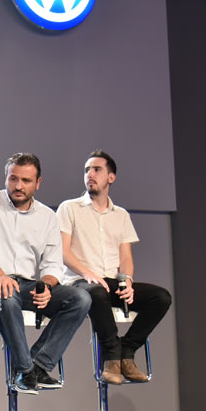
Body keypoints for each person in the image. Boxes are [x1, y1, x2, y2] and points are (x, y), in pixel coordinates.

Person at [0, 153, 91, 394]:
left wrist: (46, 286)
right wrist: (0, 275)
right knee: (6, 294)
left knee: (80, 298)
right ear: (6, 178)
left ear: (38, 183)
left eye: (26, 180)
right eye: (13, 179)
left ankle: (38, 365)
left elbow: (53, 264)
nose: (18, 186)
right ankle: (24, 370)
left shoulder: (47, 216)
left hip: (26, 284)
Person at [57, 150, 172, 384]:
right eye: (87, 170)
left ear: (111, 177)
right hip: (80, 281)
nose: (90, 174)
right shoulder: (69, 208)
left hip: (111, 281)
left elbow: (126, 257)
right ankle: (111, 356)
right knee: (97, 291)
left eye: (96, 169)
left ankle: (127, 350)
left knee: (160, 297)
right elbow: (63, 251)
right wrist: (88, 273)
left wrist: (127, 280)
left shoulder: (121, 215)